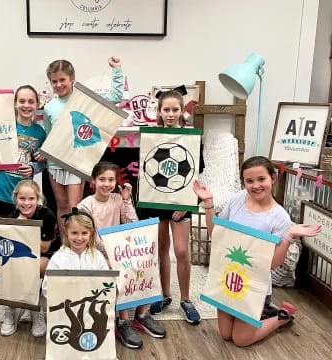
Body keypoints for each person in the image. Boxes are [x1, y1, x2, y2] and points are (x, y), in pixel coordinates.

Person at [193, 155, 322, 347]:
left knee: (241, 340)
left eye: (261, 179)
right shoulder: (237, 199)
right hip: (228, 279)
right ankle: (261, 313)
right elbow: (216, 234)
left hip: (254, 286)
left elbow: (272, 264)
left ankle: (281, 317)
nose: (255, 186)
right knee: (226, 334)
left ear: (273, 178)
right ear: (243, 182)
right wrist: (209, 203)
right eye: (249, 181)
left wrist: (288, 236)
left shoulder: (280, 218)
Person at [78, 161, 166, 349]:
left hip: (119, 248)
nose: (107, 184)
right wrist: (112, 255)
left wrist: (126, 200)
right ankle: (123, 320)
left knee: (146, 260)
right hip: (97, 251)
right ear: (93, 181)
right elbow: (89, 237)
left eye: (111, 179)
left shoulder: (118, 199)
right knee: (121, 267)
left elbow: (132, 223)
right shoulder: (85, 205)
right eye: (102, 179)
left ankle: (142, 314)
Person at [43, 57, 124, 235]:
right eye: (54, 81)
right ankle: (65, 245)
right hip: (55, 163)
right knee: (62, 205)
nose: (58, 85)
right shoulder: (49, 107)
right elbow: (49, 136)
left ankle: (77, 245)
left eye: (62, 80)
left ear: (72, 79)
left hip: (77, 162)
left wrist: (116, 69)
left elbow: (116, 97)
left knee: (74, 208)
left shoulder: (84, 99)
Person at [145, 90, 201, 325]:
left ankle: (186, 299)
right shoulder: (151, 137)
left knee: (180, 251)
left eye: (175, 109)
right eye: (166, 110)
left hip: (181, 203)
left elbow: (197, 173)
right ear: (159, 111)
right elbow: (146, 170)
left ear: (182, 111)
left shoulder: (191, 138)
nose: (170, 114)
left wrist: (188, 203)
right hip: (155, 200)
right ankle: (164, 294)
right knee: (161, 250)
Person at [0, 179, 59, 338]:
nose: (26, 203)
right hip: (20, 254)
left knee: (38, 265)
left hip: (43, 255)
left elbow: (44, 248)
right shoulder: (12, 215)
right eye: (22, 198)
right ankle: (12, 308)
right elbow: (8, 245)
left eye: (31, 199)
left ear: (38, 199)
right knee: (7, 265)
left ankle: (35, 308)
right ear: (16, 198)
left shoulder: (47, 214)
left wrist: (23, 228)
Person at [0, 85, 47, 217]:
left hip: (24, 197)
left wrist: (34, 167)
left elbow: (44, 162)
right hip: (0, 192)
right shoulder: (2, 126)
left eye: (31, 102)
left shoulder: (41, 133)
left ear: (37, 105)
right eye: (22, 101)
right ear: (14, 103)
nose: (26, 105)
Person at [42, 208, 109, 296]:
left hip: (91, 307)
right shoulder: (58, 258)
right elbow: (47, 288)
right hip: (65, 306)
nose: (79, 238)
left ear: (91, 233)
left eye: (84, 233)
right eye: (74, 233)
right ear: (66, 232)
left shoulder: (97, 257)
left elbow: (107, 283)